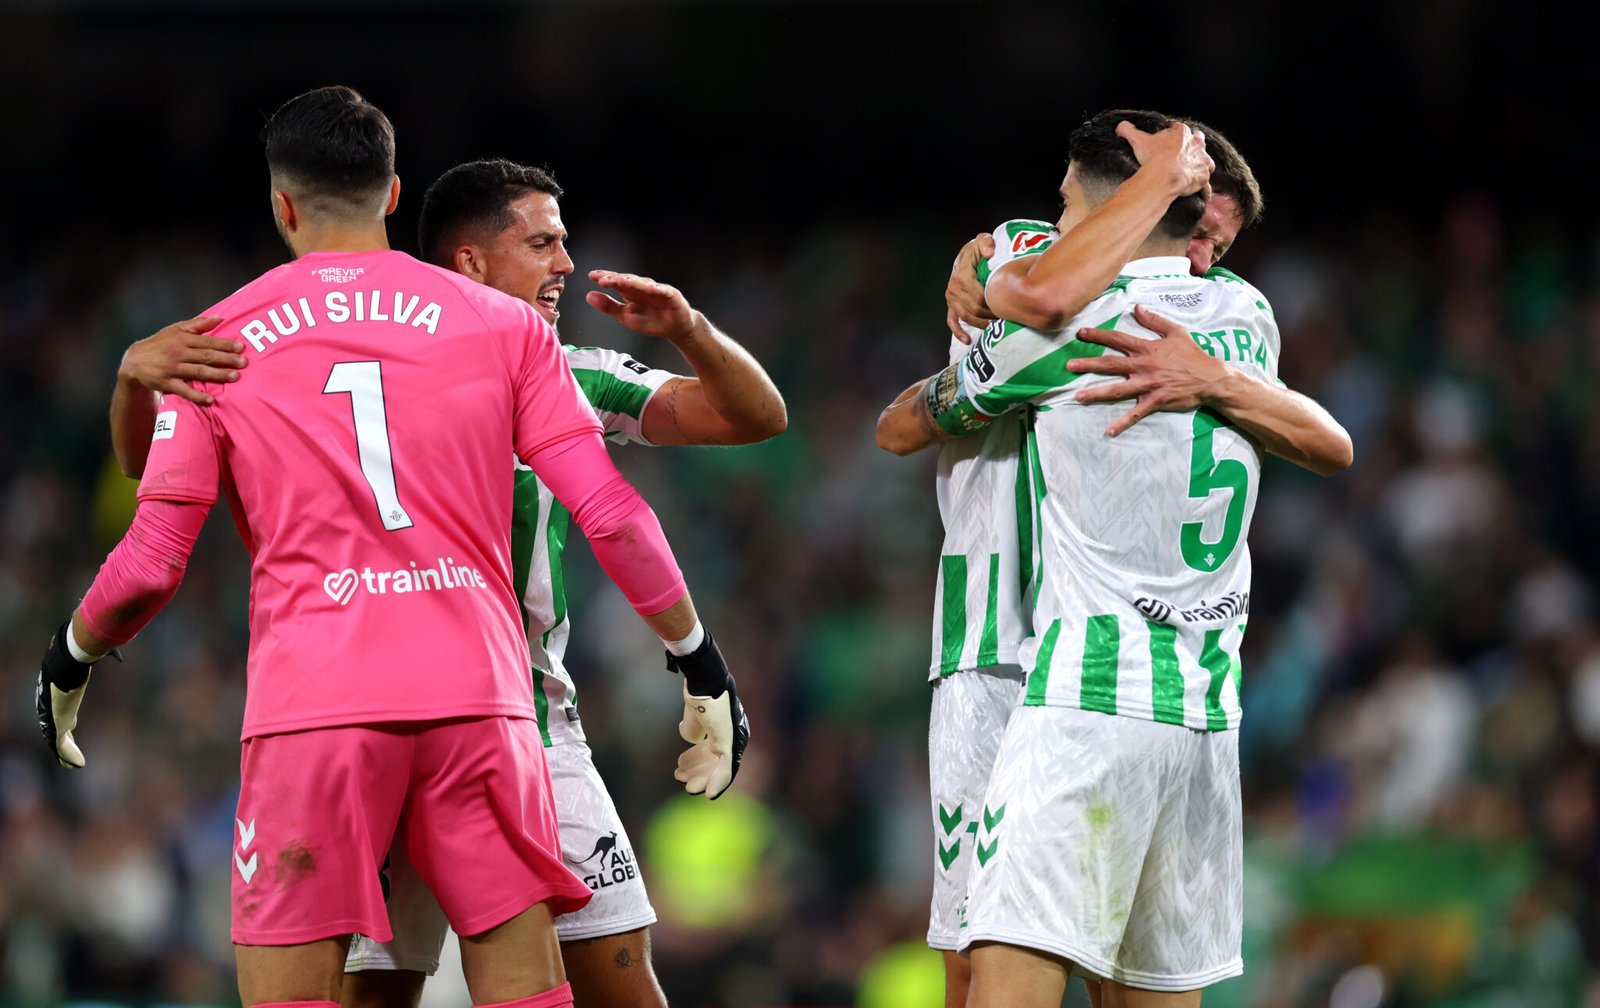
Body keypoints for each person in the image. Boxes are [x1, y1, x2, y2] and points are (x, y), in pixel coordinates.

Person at [35, 85, 745, 1008]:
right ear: (395, 193)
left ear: (282, 205)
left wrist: (69, 659)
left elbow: (152, 561)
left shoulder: (213, 343)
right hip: (483, 708)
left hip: (315, 715)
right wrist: (696, 657)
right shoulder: (507, 328)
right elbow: (610, 512)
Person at [877, 109, 1350, 1008]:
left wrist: (978, 336)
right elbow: (1334, 446)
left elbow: (902, 422)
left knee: (992, 972)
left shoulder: (1068, 315)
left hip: (1075, 681)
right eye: (1209, 230)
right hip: (1199, 704)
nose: (1214, 258)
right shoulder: (1244, 315)